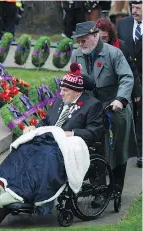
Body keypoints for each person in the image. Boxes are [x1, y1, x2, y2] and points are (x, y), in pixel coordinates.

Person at [0, 62, 104, 225]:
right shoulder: (60, 101)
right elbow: (47, 120)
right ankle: (4, 187)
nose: (61, 93)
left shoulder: (92, 105)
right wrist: (34, 127)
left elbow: (94, 132)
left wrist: (69, 133)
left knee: (44, 156)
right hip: (48, 139)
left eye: (65, 90)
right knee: (23, 149)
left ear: (77, 91)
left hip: (66, 145)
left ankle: (23, 194)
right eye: (61, 89)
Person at [70, 21, 138, 200]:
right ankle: (99, 191)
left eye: (84, 40)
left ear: (95, 36)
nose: (81, 44)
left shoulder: (114, 53)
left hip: (114, 106)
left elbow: (126, 77)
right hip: (91, 108)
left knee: (118, 150)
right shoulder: (76, 55)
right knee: (93, 149)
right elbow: (74, 80)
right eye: (78, 41)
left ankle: (116, 189)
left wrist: (120, 99)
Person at [117, 1, 142, 168]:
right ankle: (127, 149)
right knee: (129, 113)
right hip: (127, 75)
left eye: (139, 8)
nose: (135, 11)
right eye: (133, 7)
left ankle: (141, 152)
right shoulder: (123, 24)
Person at [95, 18, 142, 106]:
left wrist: (137, 92)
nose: (101, 41)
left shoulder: (120, 46)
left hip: (119, 89)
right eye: (99, 38)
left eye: (104, 38)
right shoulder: (92, 48)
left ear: (110, 35)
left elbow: (132, 70)